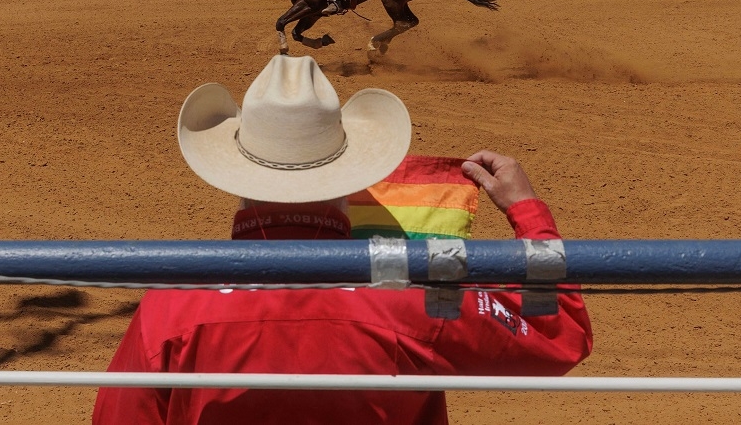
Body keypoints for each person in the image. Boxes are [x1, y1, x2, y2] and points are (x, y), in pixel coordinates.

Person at [93, 54, 593, 425]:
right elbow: (560, 334)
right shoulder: (416, 295)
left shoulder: (171, 305)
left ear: (236, 177)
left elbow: (118, 417)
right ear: (351, 179)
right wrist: (527, 212)